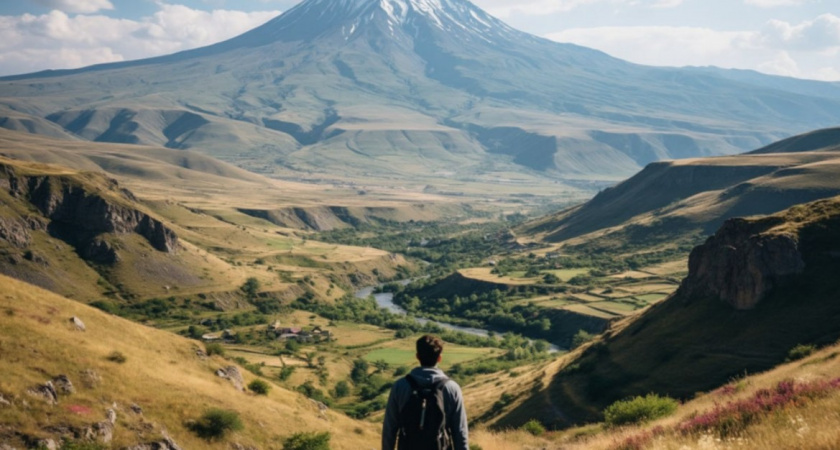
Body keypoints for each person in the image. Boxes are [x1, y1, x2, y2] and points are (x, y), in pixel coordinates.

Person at [382, 335, 468, 450]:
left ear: (417, 356)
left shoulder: (400, 386)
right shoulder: (452, 388)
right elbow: (460, 431)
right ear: (439, 358)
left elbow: (389, 428)